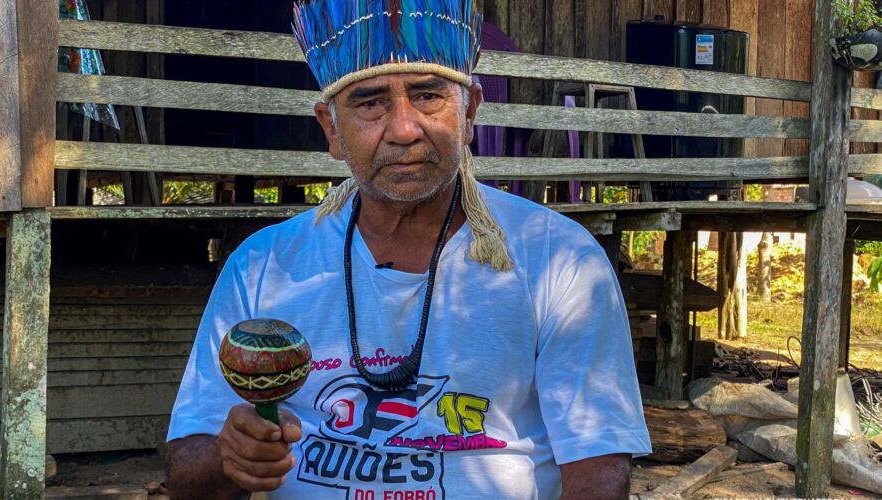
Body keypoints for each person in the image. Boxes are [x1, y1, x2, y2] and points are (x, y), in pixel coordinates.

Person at [164, 1, 651, 498]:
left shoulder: (558, 259)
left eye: (428, 96)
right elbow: (186, 473)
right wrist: (231, 457)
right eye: (370, 102)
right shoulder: (263, 265)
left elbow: (598, 471)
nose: (403, 129)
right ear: (331, 130)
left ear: (470, 114)